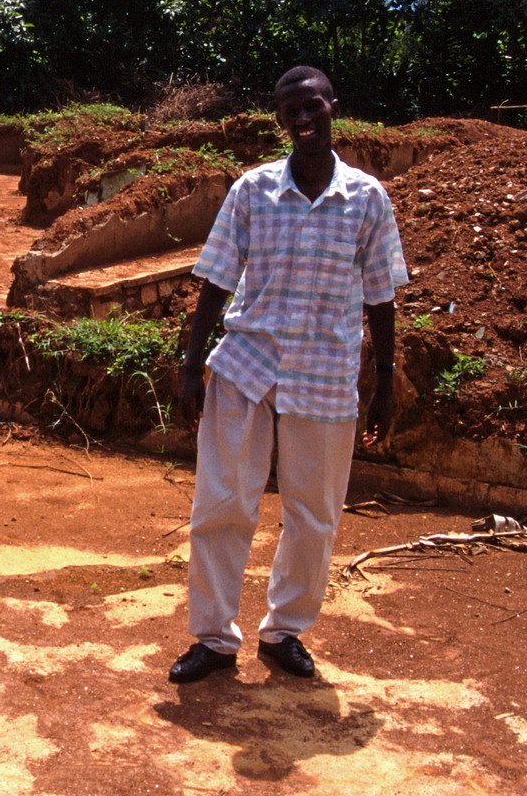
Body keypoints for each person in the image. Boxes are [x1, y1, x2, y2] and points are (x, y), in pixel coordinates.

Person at [166, 66, 407, 684]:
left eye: (311, 108)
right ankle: (215, 640)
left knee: (315, 514)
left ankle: (284, 632)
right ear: (279, 119)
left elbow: (382, 298)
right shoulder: (251, 191)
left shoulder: (367, 199)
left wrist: (384, 379)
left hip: (326, 375)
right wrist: (192, 368)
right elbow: (216, 280)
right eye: (288, 111)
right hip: (246, 367)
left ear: (332, 107)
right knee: (221, 504)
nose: (302, 120)